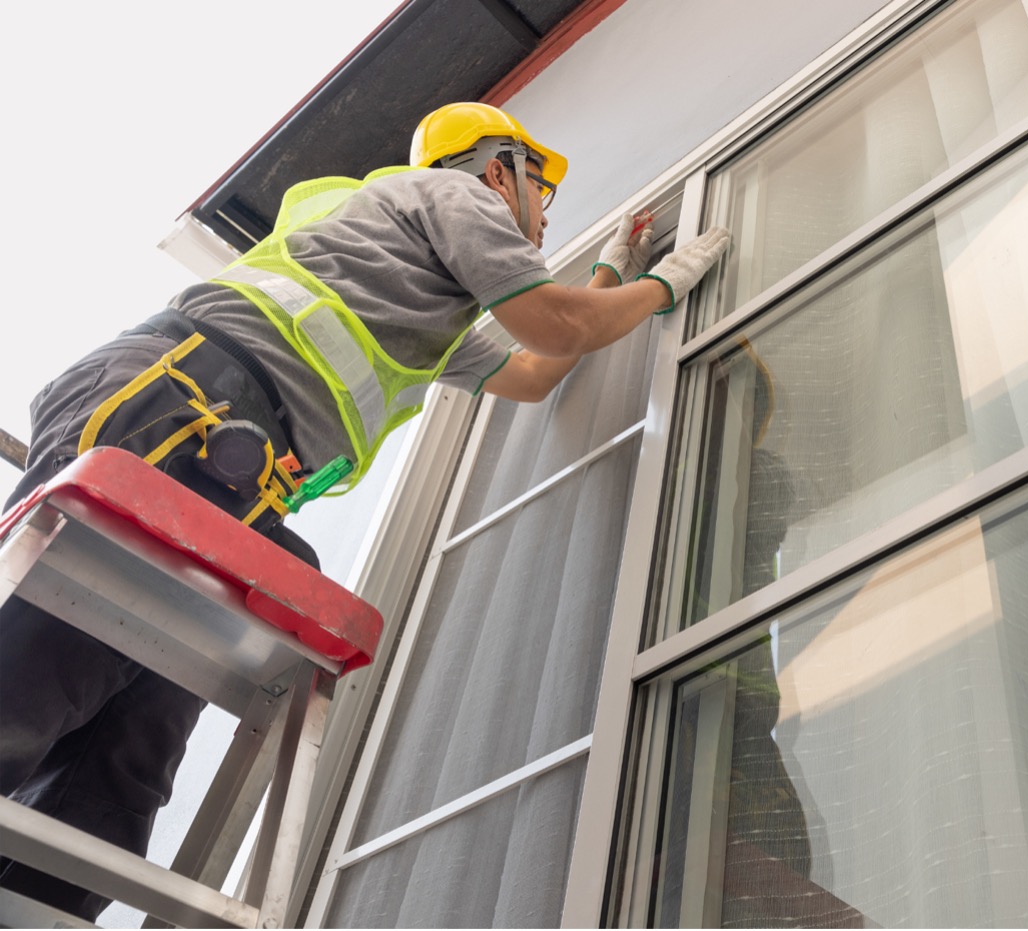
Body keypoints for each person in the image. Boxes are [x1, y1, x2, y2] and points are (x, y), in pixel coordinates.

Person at [0, 101, 730, 920]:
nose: (533, 225)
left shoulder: (431, 307)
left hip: (232, 468)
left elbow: (533, 370)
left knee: (135, 733)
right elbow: (556, 326)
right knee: (46, 665)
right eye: (539, 200)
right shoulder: (448, 198)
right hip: (185, 407)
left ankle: (38, 911)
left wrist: (613, 274)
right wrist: (661, 286)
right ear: (498, 171)